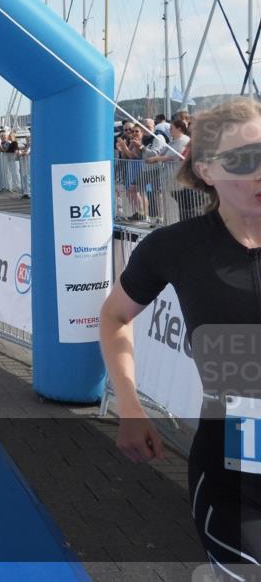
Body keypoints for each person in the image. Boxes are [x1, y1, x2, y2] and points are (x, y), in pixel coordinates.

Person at [99, 98, 261, 581]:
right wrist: (130, 406)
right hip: (235, 459)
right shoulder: (175, 247)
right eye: (242, 159)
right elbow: (113, 317)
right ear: (207, 170)